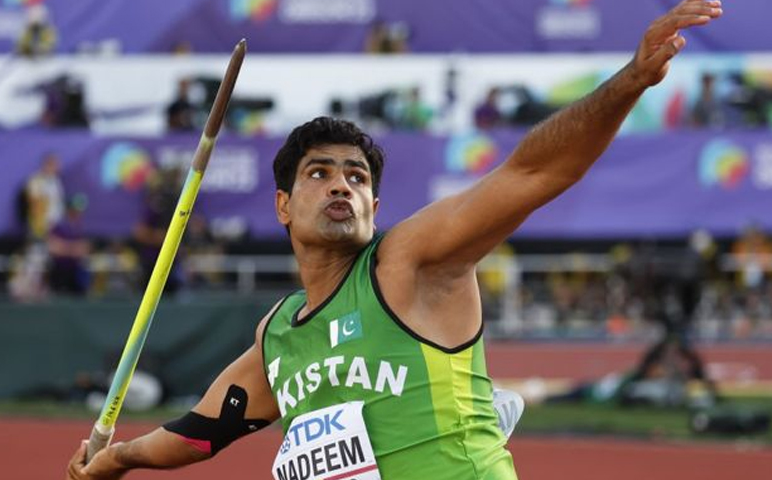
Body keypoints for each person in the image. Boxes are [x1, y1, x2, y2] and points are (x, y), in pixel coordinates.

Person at [67, 2, 722, 478]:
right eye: (319, 174)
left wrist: (630, 80)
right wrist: (119, 458)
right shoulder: (281, 334)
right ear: (282, 207)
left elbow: (534, 172)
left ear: (374, 208)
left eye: (356, 178)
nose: (341, 186)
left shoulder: (409, 262)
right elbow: (204, 430)